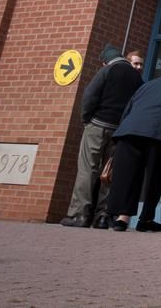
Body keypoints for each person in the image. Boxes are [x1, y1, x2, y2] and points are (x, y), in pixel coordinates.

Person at [60, 44, 143, 229]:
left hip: (97, 125)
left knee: (87, 169)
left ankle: (79, 215)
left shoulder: (108, 70)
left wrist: (86, 119)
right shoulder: (136, 77)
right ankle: (103, 216)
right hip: (119, 129)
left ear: (105, 61)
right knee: (108, 173)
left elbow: (90, 95)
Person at [105, 63, 161, 232]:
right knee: (155, 179)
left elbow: (128, 109)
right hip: (160, 136)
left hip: (130, 133)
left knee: (129, 176)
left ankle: (122, 219)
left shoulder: (146, 85)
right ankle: (145, 219)